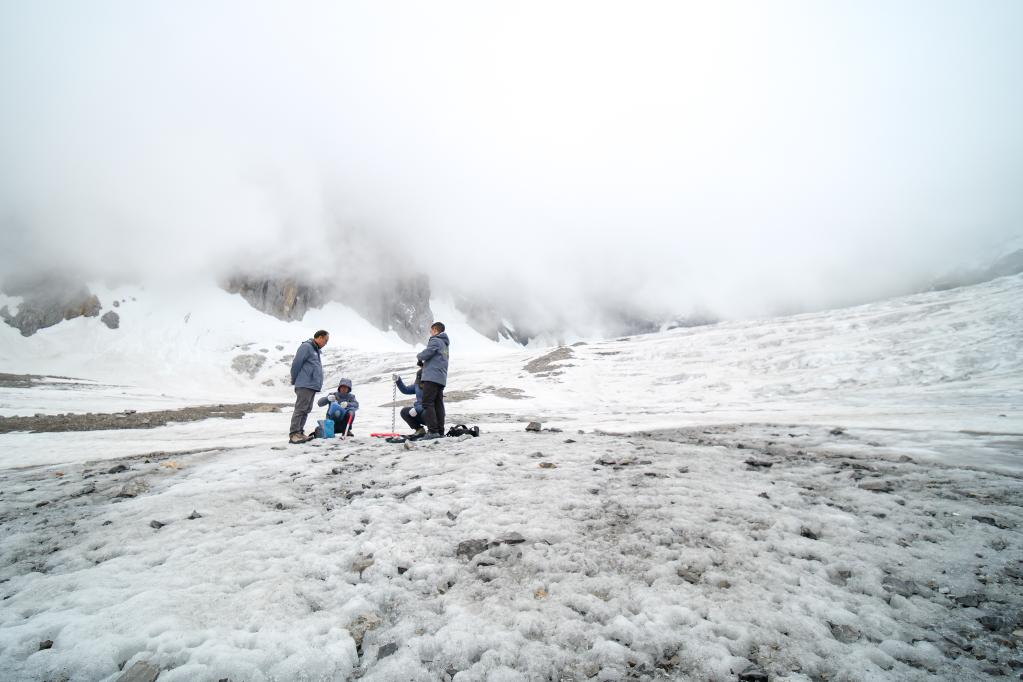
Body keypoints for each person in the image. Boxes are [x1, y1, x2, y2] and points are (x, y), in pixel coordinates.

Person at [289, 330, 328, 444]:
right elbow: (297, 363)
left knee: (306, 409)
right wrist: (295, 379)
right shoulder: (306, 346)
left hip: (311, 385)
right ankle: (294, 434)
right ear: (319, 337)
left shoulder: (315, 350)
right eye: (325, 340)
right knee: (300, 409)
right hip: (304, 384)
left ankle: (300, 433)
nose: (326, 343)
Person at [416, 321, 449, 440]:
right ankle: (440, 431)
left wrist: (419, 356)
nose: (430, 333)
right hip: (440, 378)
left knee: (427, 403)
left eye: (431, 330)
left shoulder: (435, 340)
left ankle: (433, 431)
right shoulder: (445, 345)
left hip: (432, 378)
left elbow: (427, 353)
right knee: (438, 404)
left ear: (435, 330)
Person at [393, 364, 426, 437]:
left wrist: (417, 409)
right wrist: (398, 380)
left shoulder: (432, 387)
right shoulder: (417, 386)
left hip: (430, 413)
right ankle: (419, 430)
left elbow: (430, 403)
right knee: (404, 411)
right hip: (421, 412)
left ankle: (433, 431)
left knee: (427, 412)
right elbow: (405, 390)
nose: (418, 382)